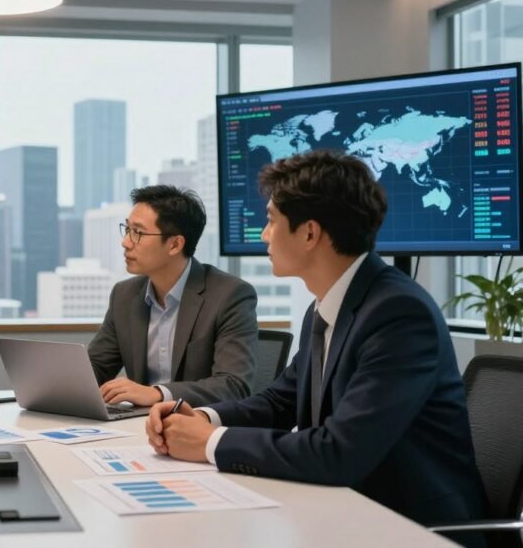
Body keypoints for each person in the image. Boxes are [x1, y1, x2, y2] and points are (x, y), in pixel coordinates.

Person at [145, 150, 486, 526]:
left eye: (272, 221)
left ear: (309, 233)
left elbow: (340, 452)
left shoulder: (399, 314)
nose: (263, 234)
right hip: (344, 508)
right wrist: (203, 416)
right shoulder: (324, 308)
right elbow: (280, 402)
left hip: (411, 525)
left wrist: (209, 443)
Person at [88, 185, 258, 408]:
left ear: (175, 244)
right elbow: (95, 367)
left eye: (138, 233)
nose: (126, 242)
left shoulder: (230, 295)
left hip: (199, 428)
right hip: (139, 428)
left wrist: (158, 393)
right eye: (127, 229)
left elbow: (233, 385)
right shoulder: (124, 295)